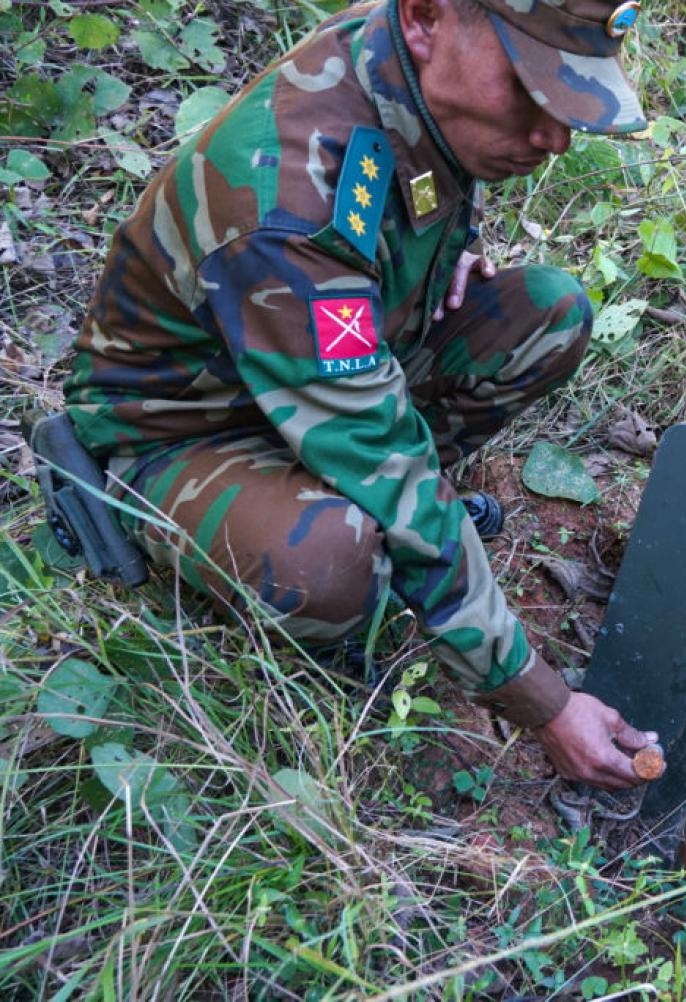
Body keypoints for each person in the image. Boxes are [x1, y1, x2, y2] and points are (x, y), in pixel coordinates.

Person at [61, 0, 655, 789]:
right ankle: (267, 523)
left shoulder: (405, 57)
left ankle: (385, 523)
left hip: (316, 360)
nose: (555, 138)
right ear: (426, 17)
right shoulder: (286, 204)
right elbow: (383, 449)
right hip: (185, 428)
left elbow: (406, 192)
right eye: (527, 88)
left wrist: (453, 253)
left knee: (547, 313)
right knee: (335, 560)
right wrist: (543, 701)